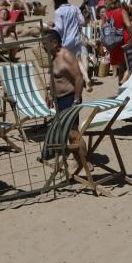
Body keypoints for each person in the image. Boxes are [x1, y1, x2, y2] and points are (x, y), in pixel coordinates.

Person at [44, 29, 87, 167]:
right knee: (67, 132)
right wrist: (50, 93)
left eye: (45, 43)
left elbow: (79, 78)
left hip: (70, 98)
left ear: (54, 43)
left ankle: (85, 164)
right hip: (60, 99)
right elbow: (54, 77)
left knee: (73, 133)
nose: (43, 46)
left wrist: (76, 100)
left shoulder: (66, 55)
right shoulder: (53, 56)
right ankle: (78, 159)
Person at [102, 0, 132, 84]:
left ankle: (121, 85)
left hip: (113, 41)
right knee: (129, 64)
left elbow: (103, 28)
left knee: (120, 65)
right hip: (124, 39)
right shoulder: (122, 11)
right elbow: (129, 26)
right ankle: (123, 82)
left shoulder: (106, 13)